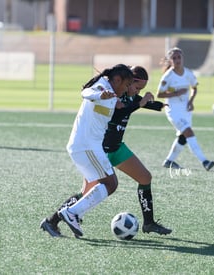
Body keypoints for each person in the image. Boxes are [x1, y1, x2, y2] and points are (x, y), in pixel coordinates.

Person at [41, 66, 172, 237]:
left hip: (117, 148)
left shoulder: (125, 94)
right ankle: (53, 221)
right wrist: (139, 103)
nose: (136, 91)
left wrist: (165, 105)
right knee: (88, 192)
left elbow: (144, 103)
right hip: (99, 150)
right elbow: (117, 111)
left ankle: (149, 223)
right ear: (128, 81)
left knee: (145, 177)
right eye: (136, 86)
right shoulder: (114, 94)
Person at [41, 64, 133, 237]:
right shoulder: (102, 86)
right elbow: (86, 93)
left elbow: (112, 105)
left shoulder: (113, 94)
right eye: (127, 85)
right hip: (86, 145)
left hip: (87, 146)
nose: (128, 89)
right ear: (118, 80)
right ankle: (71, 213)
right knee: (110, 183)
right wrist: (100, 94)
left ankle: (54, 221)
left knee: (91, 189)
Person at [157, 47, 214, 171]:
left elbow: (194, 87)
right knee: (188, 132)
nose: (177, 60)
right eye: (174, 58)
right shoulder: (168, 77)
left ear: (183, 58)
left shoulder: (188, 73)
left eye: (179, 57)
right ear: (170, 61)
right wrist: (176, 93)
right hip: (173, 110)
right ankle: (204, 161)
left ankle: (169, 161)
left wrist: (191, 101)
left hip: (186, 109)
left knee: (183, 137)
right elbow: (159, 94)